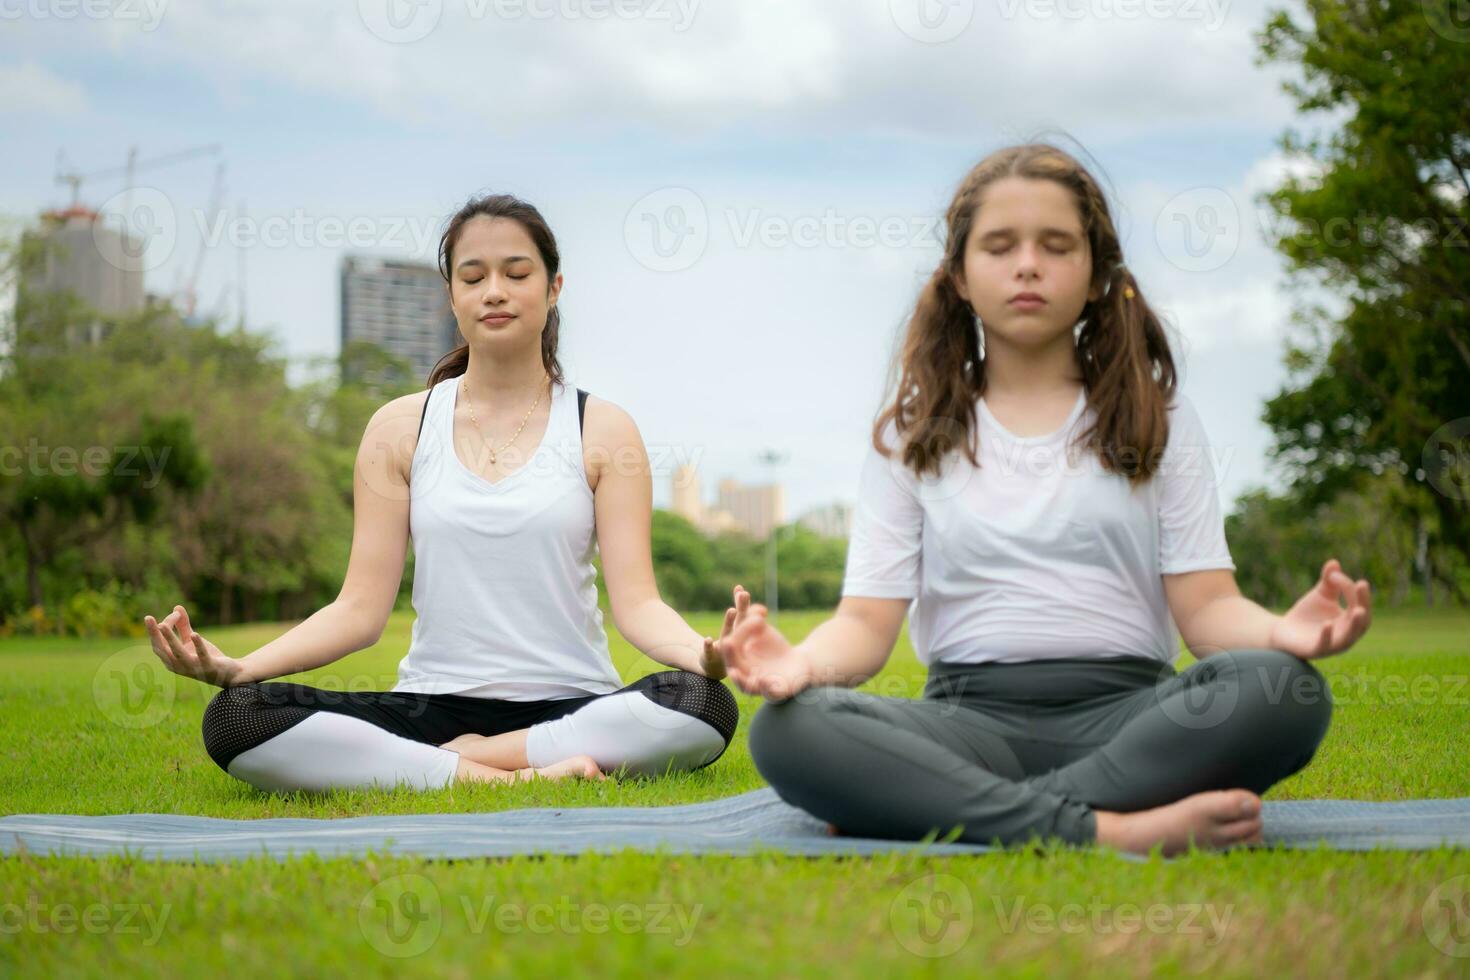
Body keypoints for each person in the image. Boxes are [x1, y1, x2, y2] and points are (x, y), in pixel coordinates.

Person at [715, 144, 1372, 856]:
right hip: (967, 727)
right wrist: (800, 667)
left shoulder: (1159, 415)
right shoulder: (914, 431)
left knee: (1286, 692)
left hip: (1132, 719)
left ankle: (942, 811)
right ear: (959, 277)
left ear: (1095, 276)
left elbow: (1208, 610)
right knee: (790, 729)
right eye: (1000, 246)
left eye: (1056, 246)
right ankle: (1110, 828)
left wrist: (1284, 636)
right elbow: (865, 627)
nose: (1028, 264)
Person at [145, 193, 738, 793]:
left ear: (554, 287)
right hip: (430, 711)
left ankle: (484, 758)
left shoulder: (603, 428)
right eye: (473, 277)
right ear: (451, 295)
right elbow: (358, 610)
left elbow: (637, 605)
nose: (495, 291)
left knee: (703, 703)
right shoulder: (400, 428)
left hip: (572, 709)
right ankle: (509, 781)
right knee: (237, 717)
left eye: (517, 273)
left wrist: (703, 654)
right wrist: (242, 668)